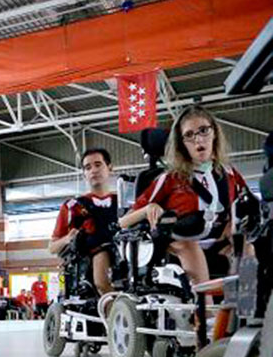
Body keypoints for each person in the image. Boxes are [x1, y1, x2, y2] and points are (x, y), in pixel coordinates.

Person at [119, 105, 253, 285]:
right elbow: (123, 222)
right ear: (182, 144)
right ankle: (204, 307)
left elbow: (250, 206)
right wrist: (148, 209)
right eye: (189, 135)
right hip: (180, 243)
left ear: (214, 134)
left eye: (204, 131)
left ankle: (244, 304)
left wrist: (236, 223)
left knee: (244, 241)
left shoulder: (230, 174)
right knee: (190, 247)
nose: (198, 139)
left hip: (219, 243)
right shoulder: (169, 178)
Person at [48, 148, 118, 294]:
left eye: (98, 165)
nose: (93, 170)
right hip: (91, 258)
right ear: (84, 174)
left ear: (109, 168)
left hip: (126, 251)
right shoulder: (73, 206)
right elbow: (52, 247)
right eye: (88, 167)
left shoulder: (124, 202)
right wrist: (68, 238)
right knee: (102, 255)